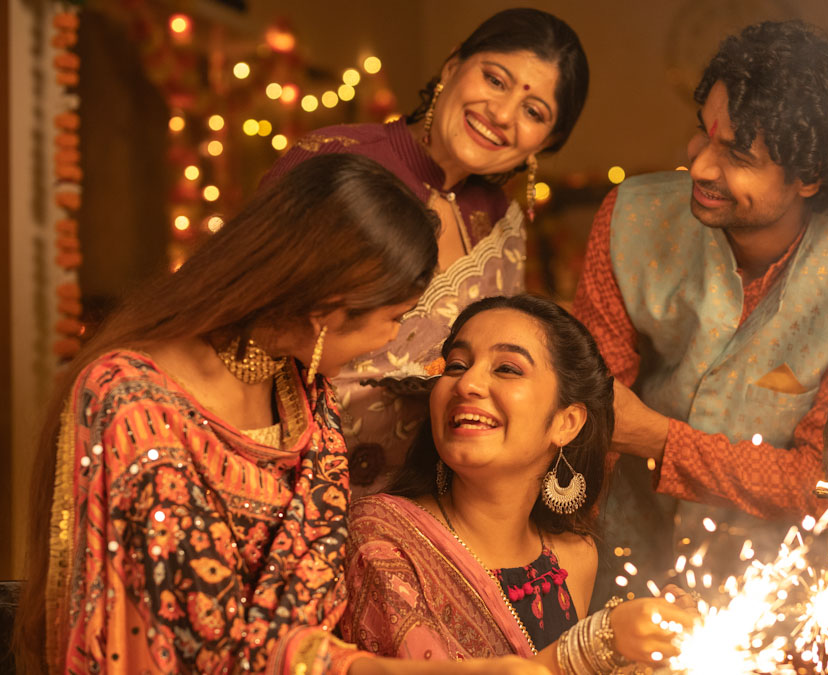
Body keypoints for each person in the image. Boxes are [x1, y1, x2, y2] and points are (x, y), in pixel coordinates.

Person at [15, 154, 545, 675]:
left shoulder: (302, 392)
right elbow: (194, 642)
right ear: (326, 312)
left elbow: (311, 604)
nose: (392, 338)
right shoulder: (134, 405)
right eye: (394, 317)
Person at [573, 20, 828, 604]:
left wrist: (661, 441)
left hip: (777, 588)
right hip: (626, 561)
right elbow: (591, 413)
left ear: (809, 177)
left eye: (736, 154)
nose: (702, 167)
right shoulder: (631, 218)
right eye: (702, 134)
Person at [263, 8, 589, 497]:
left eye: (534, 112)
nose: (502, 115)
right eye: (495, 80)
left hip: (423, 501)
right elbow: (250, 325)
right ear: (453, 65)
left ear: (548, 141)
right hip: (292, 479)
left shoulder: (502, 220)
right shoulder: (334, 160)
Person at [340, 295, 693, 670]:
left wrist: (643, 657)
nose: (467, 383)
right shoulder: (381, 536)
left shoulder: (573, 555)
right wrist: (594, 645)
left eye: (507, 369)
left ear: (566, 423)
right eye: (456, 365)